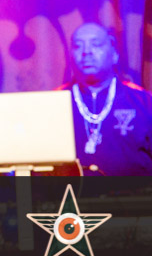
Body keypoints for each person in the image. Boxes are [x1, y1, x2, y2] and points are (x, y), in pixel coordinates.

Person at [56, 22, 152, 175]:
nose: (86, 52)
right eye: (78, 46)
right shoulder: (54, 103)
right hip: (70, 196)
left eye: (96, 44)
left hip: (133, 197)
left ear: (114, 54)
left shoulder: (143, 102)